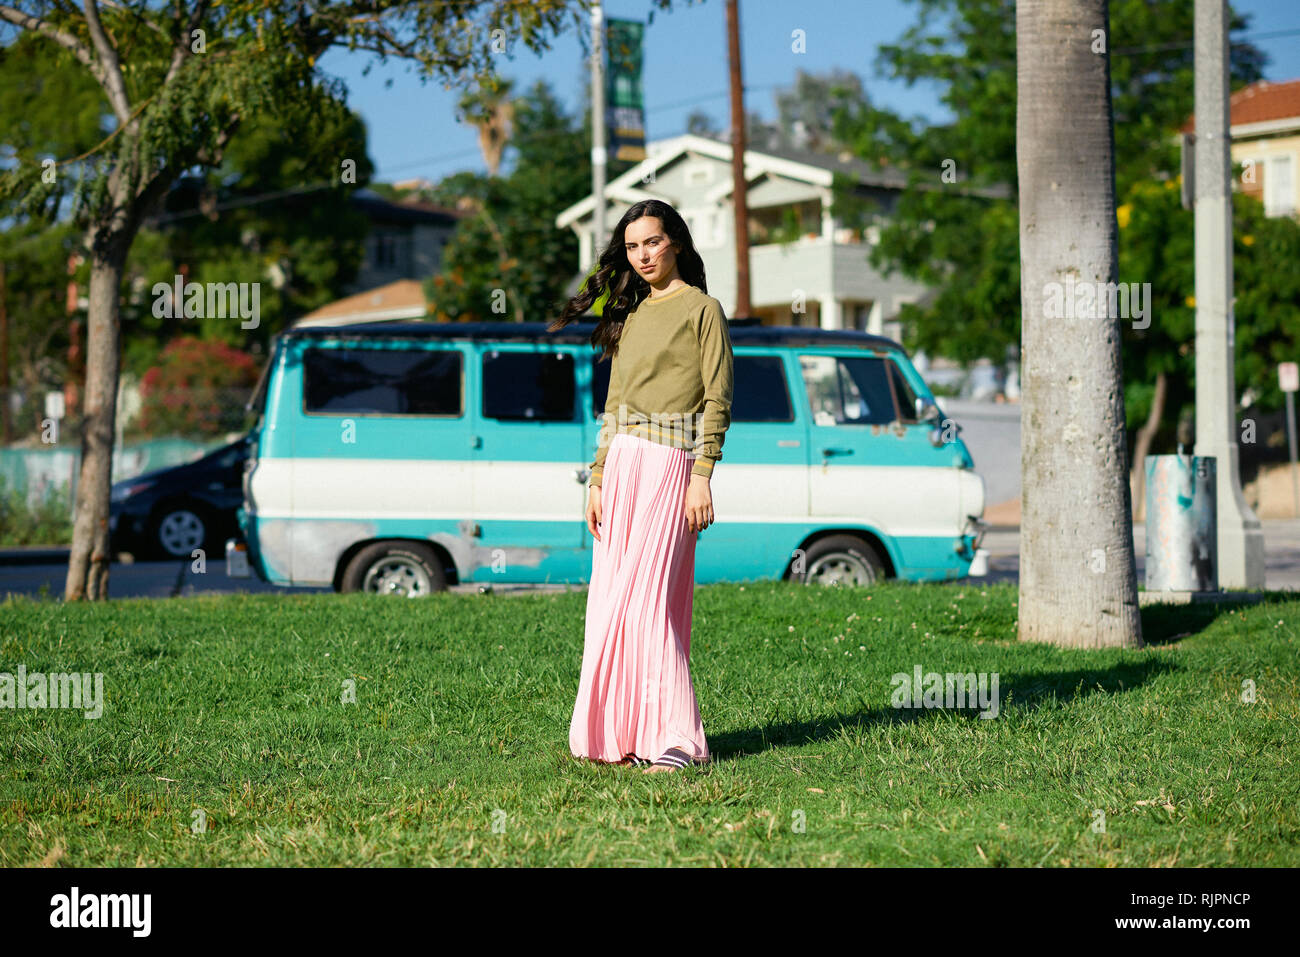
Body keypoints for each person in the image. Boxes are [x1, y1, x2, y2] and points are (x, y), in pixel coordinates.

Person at [548, 199, 734, 774]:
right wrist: (598, 477)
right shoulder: (628, 314)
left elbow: (717, 399)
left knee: (652, 608)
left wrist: (702, 476)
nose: (643, 254)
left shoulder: (703, 309)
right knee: (610, 607)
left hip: (672, 466)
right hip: (623, 464)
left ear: (675, 240)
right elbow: (615, 403)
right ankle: (617, 736)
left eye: (652, 241)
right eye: (632, 247)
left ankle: (677, 741)